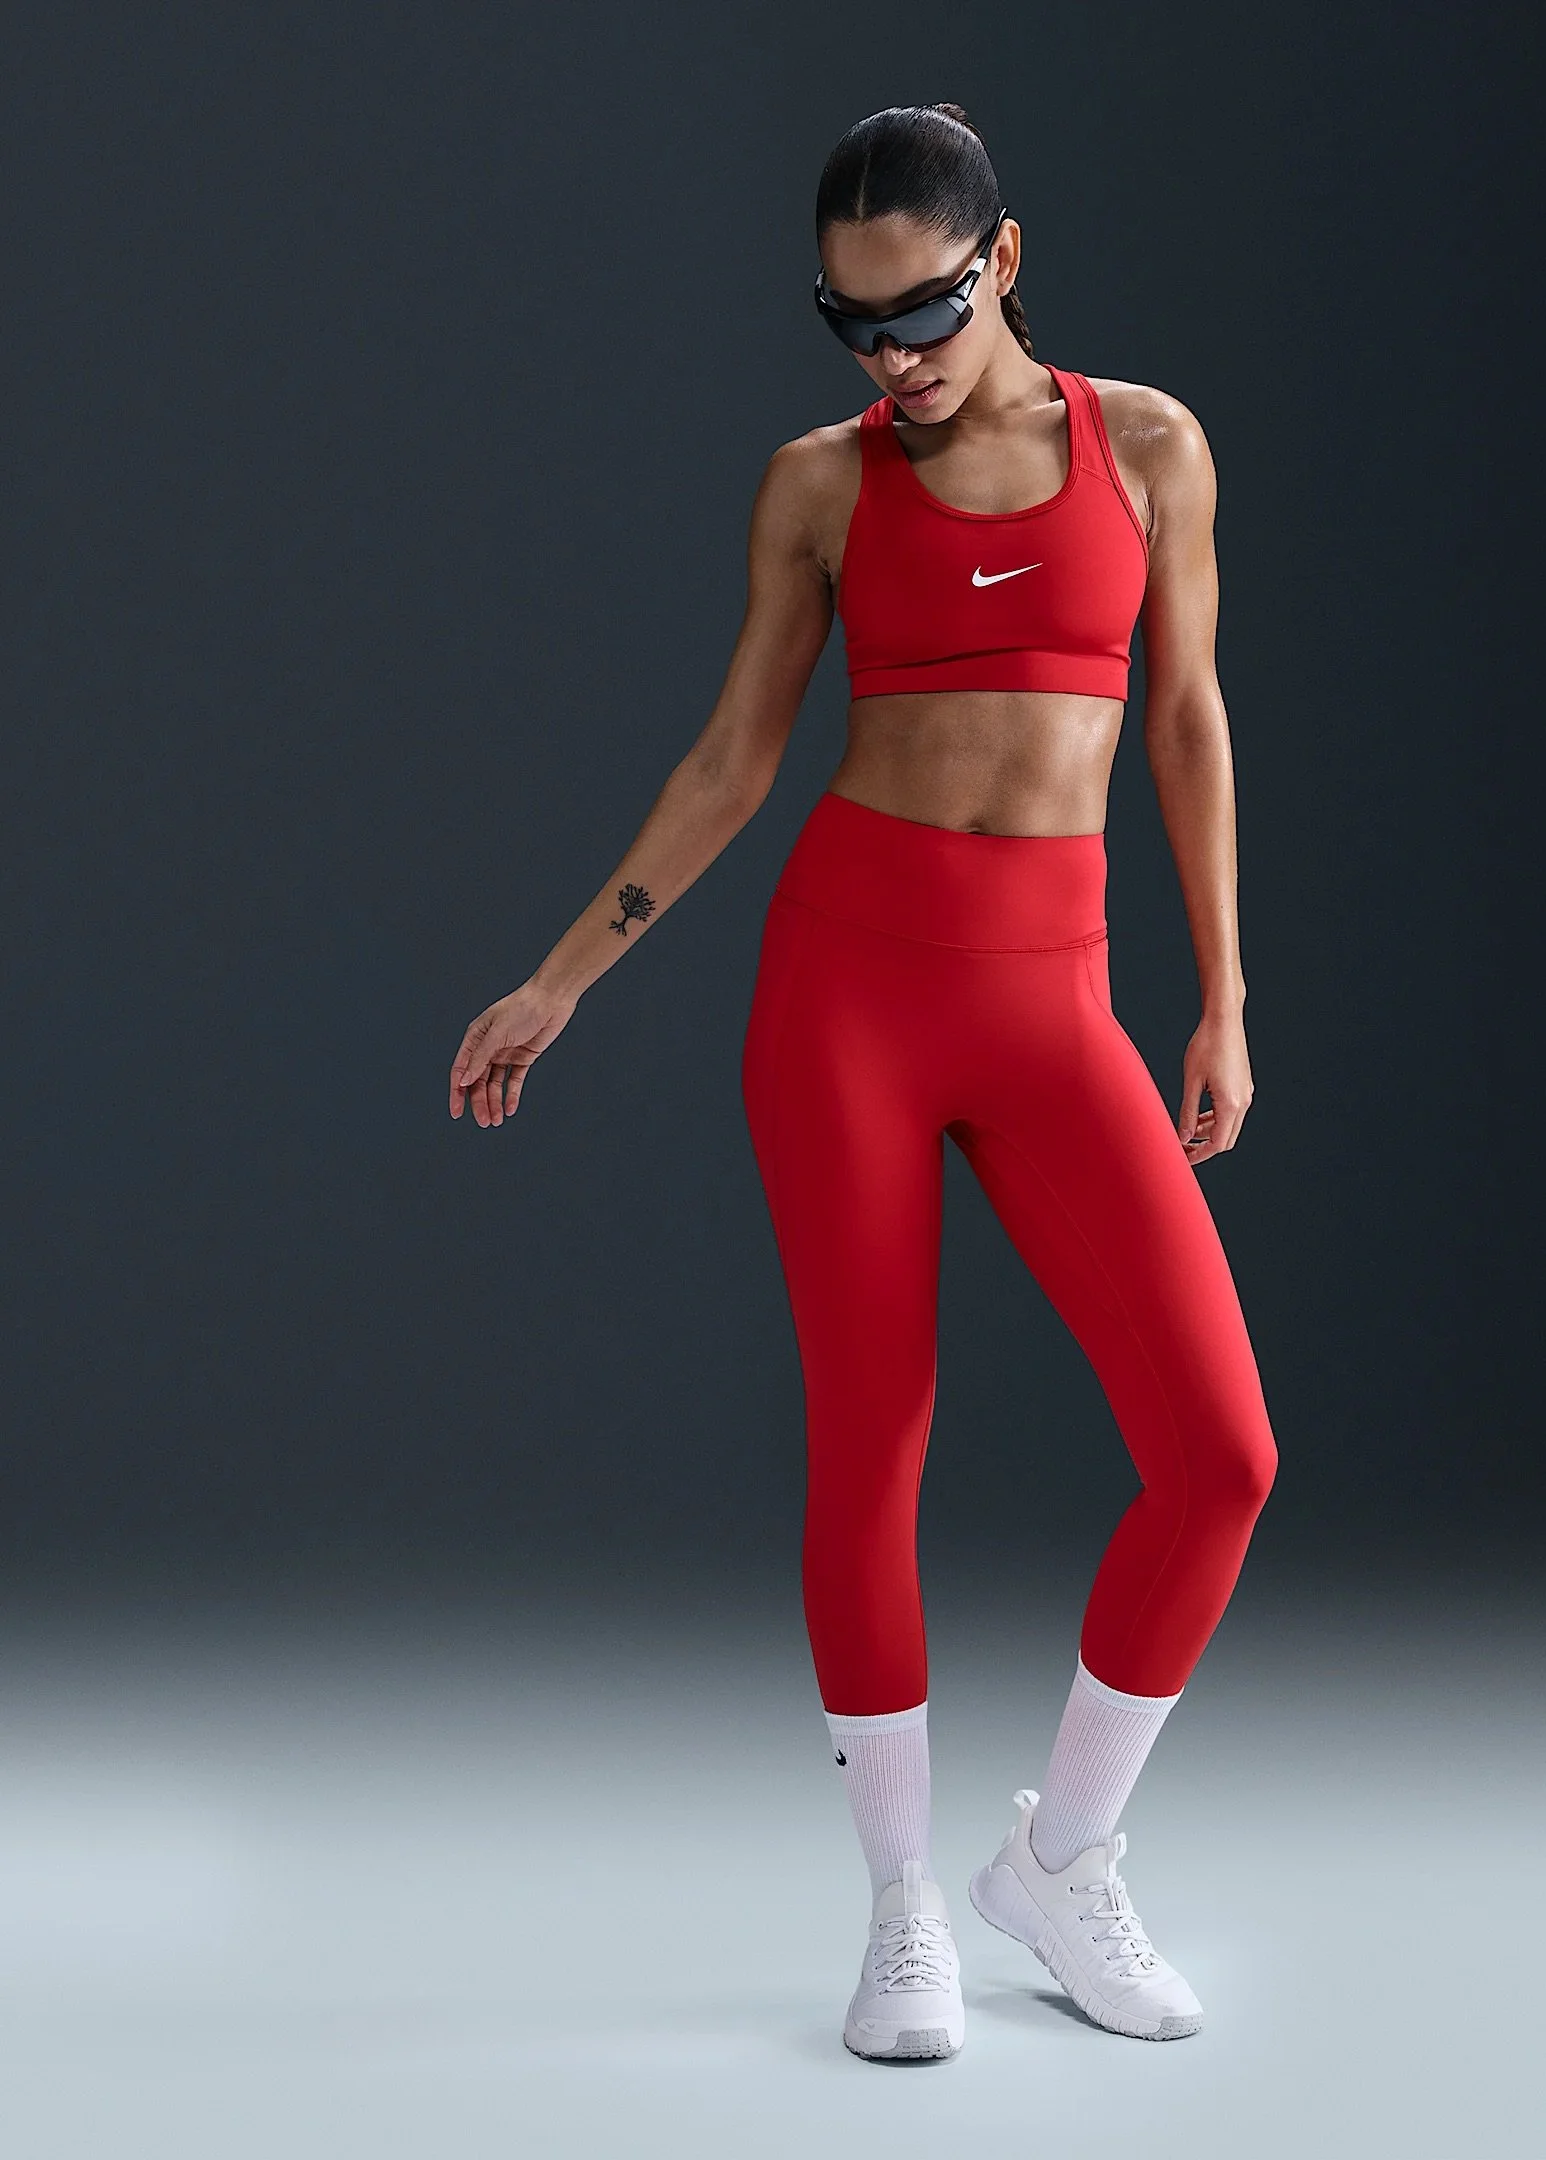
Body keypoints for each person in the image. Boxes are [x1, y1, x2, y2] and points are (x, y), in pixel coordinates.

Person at [448, 102, 1278, 2064]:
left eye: (922, 312)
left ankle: (1060, 1861)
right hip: (850, 998)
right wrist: (563, 976)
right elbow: (734, 758)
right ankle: (903, 1905)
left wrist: (1224, 998)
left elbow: (1185, 721)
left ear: (1007, 262)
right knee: (872, 1438)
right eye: (850, 322)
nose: (892, 359)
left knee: (1220, 1456)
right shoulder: (818, 487)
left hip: (1055, 997)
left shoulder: (1151, 450)